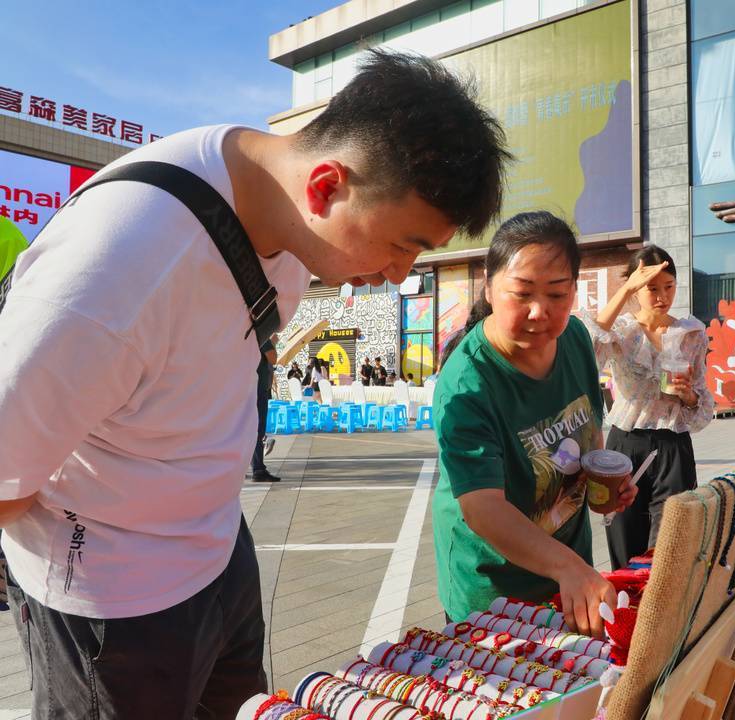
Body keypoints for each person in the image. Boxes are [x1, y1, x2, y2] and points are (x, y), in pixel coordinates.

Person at [0, 49, 509, 718]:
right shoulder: (113, 270)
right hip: (114, 606)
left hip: (219, 556)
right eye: (402, 245)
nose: (398, 272)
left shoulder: (283, 217)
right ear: (327, 186)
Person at [432, 211, 637, 638]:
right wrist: (568, 567)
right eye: (521, 294)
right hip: (493, 594)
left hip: (566, 579)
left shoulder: (576, 340)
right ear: (488, 287)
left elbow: (587, 441)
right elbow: (483, 508)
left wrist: (603, 488)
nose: (540, 311)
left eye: (558, 295)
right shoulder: (467, 382)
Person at [586, 246, 715, 570]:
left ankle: (662, 615)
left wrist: (687, 395)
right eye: (652, 288)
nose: (662, 296)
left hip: (673, 445)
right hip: (625, 444)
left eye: (669, 286)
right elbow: (587, 351)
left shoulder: (691, 333)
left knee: (671, 546)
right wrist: (624, 290)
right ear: (635, 289)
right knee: (624, 540)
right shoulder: (621, 331)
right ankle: (626, 615)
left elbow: (701, 397)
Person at [251, 335, 280, 482]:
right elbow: (273, 358)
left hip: (248, 387)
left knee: (250, 428)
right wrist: (271, 343)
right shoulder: (260, 334)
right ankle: (258, 469)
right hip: (258, 389)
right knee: (258, 429)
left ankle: (256, 465)